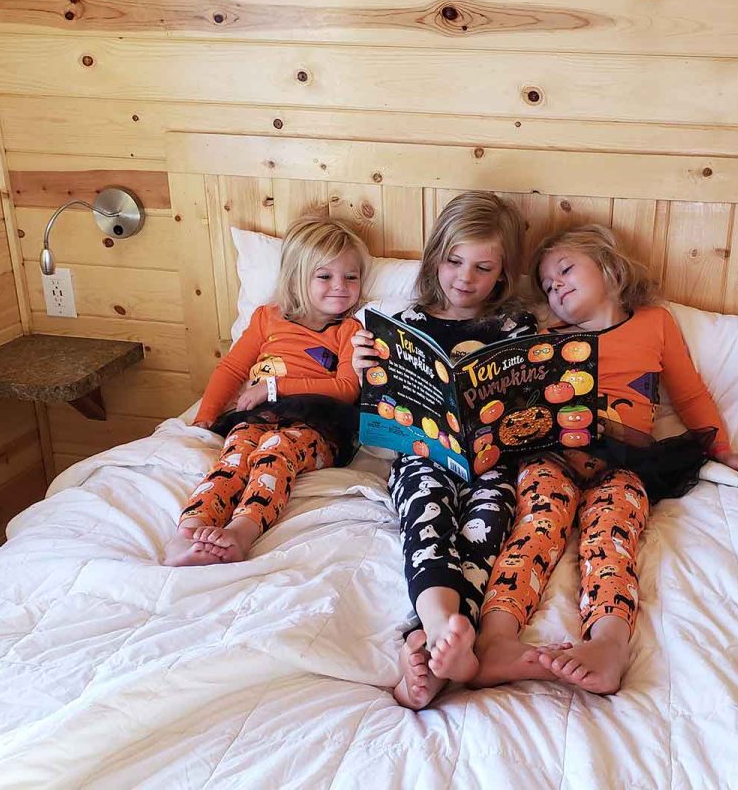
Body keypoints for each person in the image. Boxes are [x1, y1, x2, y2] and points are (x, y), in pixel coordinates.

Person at [473, 224, 738, 694]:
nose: (557, 287)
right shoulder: (547, 336)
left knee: (614, 531)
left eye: (566, 270)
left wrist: (721, 449)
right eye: (549, 287)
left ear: (610, 267)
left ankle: (608, 643)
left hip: (627, 461)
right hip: (554, 452)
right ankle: (496, 641)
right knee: (536, 523)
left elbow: (690, 392)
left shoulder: (655, 323)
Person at [352, 191, 537, 709]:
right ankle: (439, 631)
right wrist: (362, 373)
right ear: (435, 256)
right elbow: (374, 420)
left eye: (483, 267)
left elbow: (530, 410)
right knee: (427, 518)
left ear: (503, 273)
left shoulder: (517, 328)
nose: (465, 277)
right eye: (454, 261)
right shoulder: (404, 326)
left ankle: (432, 648)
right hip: (423, 457)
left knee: (487, 530)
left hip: (491, 462)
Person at [164, 216, 369, 567]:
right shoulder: (267, 319)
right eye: (325, 276)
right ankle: (189, 531)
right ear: (296, 278)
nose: (341, 286)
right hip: (257, 417)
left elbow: (346, 389)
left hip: (319, 425)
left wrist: (272, 388)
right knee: (236, 454)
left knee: (277, 449)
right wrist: (205, 417)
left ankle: (242, 532)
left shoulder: (350, 329)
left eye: (351, 276)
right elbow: (231, 369)